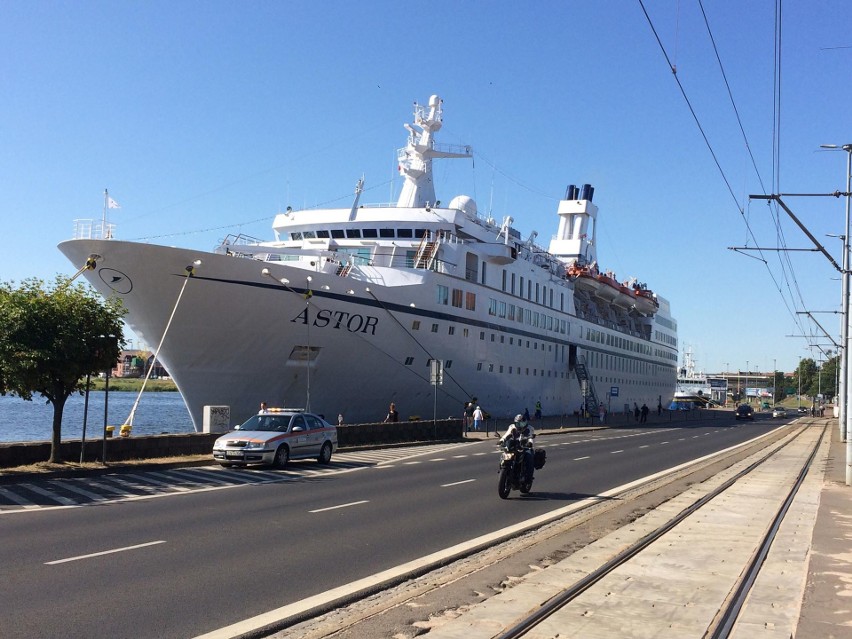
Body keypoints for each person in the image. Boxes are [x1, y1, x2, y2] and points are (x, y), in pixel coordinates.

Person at [500, 414, 535, 486]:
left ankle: (528, 478)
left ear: (526, 422)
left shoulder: (530, 428)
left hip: (525, 447)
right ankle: (503, 467)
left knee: (529, 456)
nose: (520, 425)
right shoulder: (512, 427)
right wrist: (501, 440)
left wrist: (530, 443)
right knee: (504, 453)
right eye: (518, 423)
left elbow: (531, 437)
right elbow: (506, 434)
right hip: (514, 445)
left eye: (522, 423)